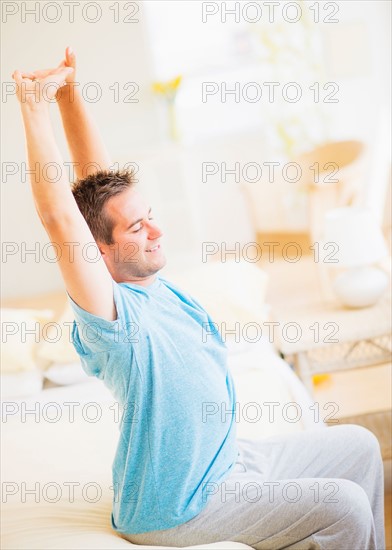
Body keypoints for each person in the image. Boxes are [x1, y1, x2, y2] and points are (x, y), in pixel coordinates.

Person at [12, 47, 386, 550]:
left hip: (230, 461)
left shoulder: (149, 283)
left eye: (151, 215)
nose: (157, 231)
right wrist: (33, 107)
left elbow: (100, 194)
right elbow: (62, 217)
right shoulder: (115, 318)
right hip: (177, 506)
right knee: (341, 503)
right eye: (139, 227)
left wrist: (72, 97)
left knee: (360, 447)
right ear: (97, 250)